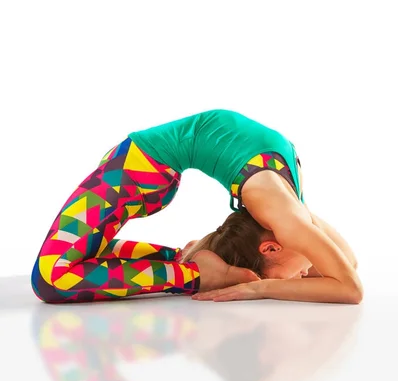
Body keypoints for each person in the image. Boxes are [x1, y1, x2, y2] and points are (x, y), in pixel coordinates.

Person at [31, 109, 363, 305]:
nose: (303, 276)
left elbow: (344, 269)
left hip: (140, 166)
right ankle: (191, 267)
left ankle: (189, 271)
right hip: (136, 167)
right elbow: (350, 286)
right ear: (272, 246)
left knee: (55, 273)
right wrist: (258, 287)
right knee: (58, 272)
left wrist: (264, 283)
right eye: (269, 273)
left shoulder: (291, 216)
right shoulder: (290, 220)